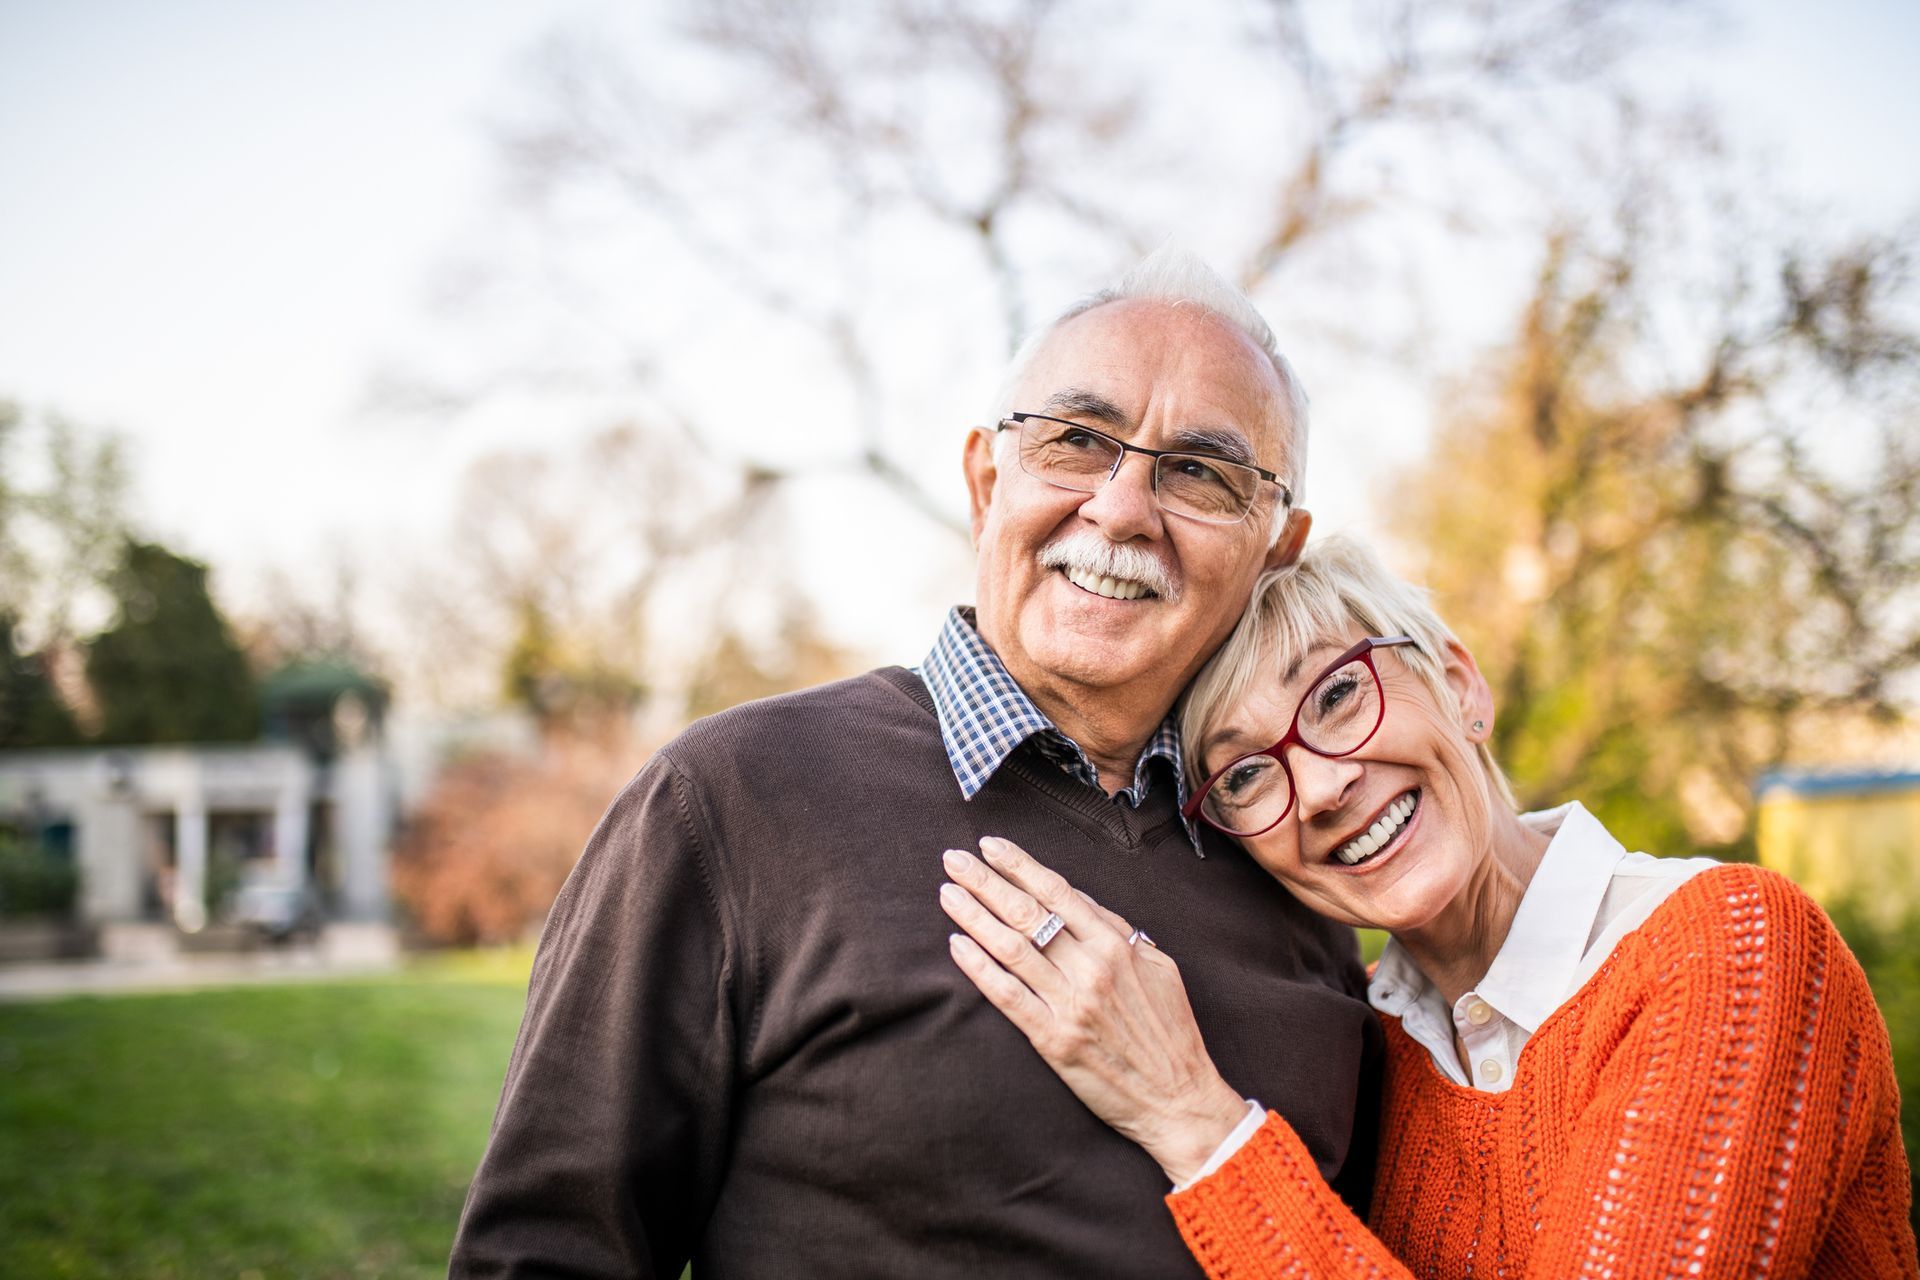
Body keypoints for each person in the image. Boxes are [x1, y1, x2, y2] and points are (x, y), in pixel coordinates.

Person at [447, 249, 1386, 1278]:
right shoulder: (734, 798)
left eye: (1200, 470)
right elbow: (544, 1254)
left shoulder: (1302, 865)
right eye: (1078, 441)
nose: (1121, 510)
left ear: (1277, 547)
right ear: (989, 477)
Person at [941, 534, 1919, 1278]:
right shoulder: (1360, 1042)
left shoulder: (1731, 949)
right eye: (1244, 773)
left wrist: (1198, 1124)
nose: (1320, 787)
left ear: (1460, 684)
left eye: (1333, 696)